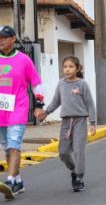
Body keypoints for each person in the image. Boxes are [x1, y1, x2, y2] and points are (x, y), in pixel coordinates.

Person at [0, 26, 45, 200]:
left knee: (14, 144)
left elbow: (36, 83)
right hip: (1, 110)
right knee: (7, 147)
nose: (1, 41)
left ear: (13, 38)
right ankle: (17, 180)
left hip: (18, 108)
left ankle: (10, 180)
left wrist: (39, 105)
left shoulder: (24, 60)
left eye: (4, 37)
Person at [39, 56, 96, 192]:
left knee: (78, 150)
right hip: (66, 122)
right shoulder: (61, 84)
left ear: (77, 68)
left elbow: (90, 103)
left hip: (80, 121)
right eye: (65, 66)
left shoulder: (82, 84)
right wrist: (46, 112)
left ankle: (79, 178)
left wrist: (92, 122)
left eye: (71, 66)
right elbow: (56, 101)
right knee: (63, 152)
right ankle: (74, 170)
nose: (67, 69)